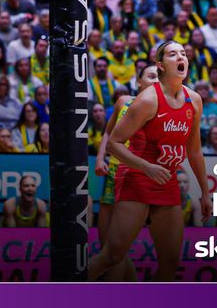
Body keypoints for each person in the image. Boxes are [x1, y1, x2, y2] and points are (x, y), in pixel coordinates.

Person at [88, 41, 211, 282]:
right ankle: (62, 290)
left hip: (167, 182)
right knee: (112, 256)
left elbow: (194, 151)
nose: (181, 57)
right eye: (173, 54)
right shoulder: (146, 100)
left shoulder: (194, 100)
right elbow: (113, 142)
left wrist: (204, 193)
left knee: (171, 261)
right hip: (137, 177)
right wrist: (146, 167)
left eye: (183, 54)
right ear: (161, 65)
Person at [93, 64, 159, 281]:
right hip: (112, 175)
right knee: (108, 247)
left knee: (115, 250)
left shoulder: (163, 111)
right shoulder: (123, 102)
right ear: (138, 82)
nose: (156, 80)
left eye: (160, 77)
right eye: (151, 76)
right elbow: (107, 133)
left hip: (135, 180)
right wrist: (100, 158)